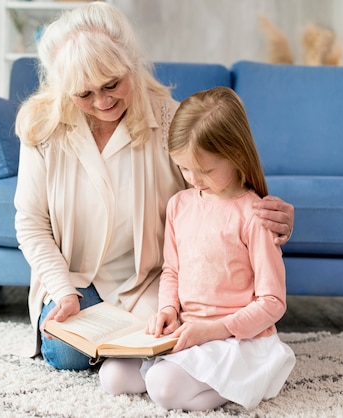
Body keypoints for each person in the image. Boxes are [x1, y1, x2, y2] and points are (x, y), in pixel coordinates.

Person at [13, 1, 294, 371]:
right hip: (75, 281)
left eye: (112, 84)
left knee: (169, 340)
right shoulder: (42, 127)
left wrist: (272, 220)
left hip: (150, 281)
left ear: (131, 62)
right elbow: (31, 222)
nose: (101, 102)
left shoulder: (169, 118)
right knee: (68, 353)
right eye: (84, 94)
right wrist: (62, 290)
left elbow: (218, 195)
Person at [98, 86, 296, 411]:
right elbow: (172, 270)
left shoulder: (255, 215)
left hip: (236, 339)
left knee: (163, 388)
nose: (193, 179)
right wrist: (166, 311)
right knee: (112, 377)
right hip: (187, 330)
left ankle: (247, 381)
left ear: (237, 155)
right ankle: (182, 376)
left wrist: (215, 329)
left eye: (206, 170)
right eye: (185, 168)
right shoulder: (179, 205)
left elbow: (273, 302)